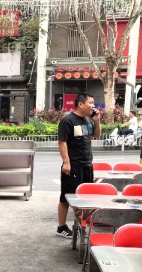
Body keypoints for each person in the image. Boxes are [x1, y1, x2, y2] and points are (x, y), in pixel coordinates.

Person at [57, 93, 101, 237]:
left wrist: (97, 121)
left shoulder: (88, 120)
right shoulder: (68, 121)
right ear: (80, 104)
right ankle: (61, 227)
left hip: (87, 164)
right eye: (91, 102)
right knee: (67, 197)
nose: (93, 106)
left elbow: (96, 135)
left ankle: (82, 226)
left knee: (86, 197)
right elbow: (62, 142)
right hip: (73, 166)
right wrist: (66, 163)